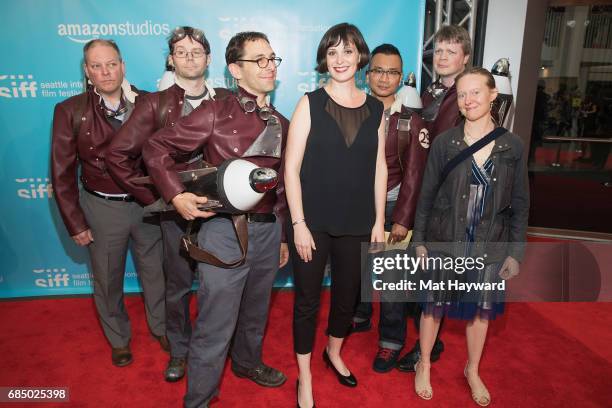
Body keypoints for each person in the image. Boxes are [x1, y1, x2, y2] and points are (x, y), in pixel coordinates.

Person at [142, 31, 289, 408]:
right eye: (260, 60)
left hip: (268, 230)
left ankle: (246, 363)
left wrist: (284, 235)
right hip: (223, 231)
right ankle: (199, 400)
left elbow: (285, 184)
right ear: (235, 70)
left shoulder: (281, 122)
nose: (269, 66)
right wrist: (176, 194)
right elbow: (155, 147)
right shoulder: (214, 112)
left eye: (272, 58)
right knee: (214, 325)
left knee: (256, 312)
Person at [106, 26, 231, 382]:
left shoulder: (226, 99)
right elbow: (117, 154)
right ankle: (179, 350)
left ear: (209, 58)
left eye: (196, 51)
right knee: (176, 287)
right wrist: (161, 199)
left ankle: (214, 347)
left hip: (220, 212)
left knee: (218, 286)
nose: (189, 57)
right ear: (171, 59)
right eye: (181, 51)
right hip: (175, 214)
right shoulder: (154, 103)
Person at [411, 67, 529, 405]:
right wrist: (420, 240)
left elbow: (521, 204)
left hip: (490, 244)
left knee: (480, 311)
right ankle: (424, 363)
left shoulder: (512, 146)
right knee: (433, 307)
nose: (468, 100)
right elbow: (427, 194)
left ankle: (472, 369)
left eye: (476, 92)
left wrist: (515, 253)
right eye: (462, 94)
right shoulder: (445, 143)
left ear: (493, 95)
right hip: (444, 239)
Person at [284, 23, 387, 408]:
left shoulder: (377, 108)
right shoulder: (309, 103)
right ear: (324, 60)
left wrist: (378, 221)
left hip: (359, 223)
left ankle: (334, 351)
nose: (340, 60)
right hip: (312, 225)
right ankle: (305, 376)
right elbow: (290, 170)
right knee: (307, 301)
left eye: (347, 51)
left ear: (360, 56)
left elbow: (380, 169)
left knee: (349, 298)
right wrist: (298, 224)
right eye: (332, 52)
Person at [51, 39, 166, 367]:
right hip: (101, 209)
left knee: (156, 273)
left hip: (147, 204)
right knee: (107, 278)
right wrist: (76, 222)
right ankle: (118, 338)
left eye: (111, 63)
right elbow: (61, 173)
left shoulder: (150, 103)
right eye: (97, 66)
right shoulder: (70, 111)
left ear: (123, 66)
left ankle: (161, 328)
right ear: (87, 71)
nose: (105, 71)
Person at [349, 43, 430, 373]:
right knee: (357, 269)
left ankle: (391, 341)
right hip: (356, 206)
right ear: (368, 74)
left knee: (393, 278)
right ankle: (360, 314)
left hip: (395, 206)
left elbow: (415, 176)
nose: (384, 78)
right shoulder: (352, 111)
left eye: (392, 72)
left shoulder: (412, 122)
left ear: (401, 77)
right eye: (378, 70)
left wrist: (402, 219)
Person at [396, 24, 472, 372]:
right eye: (438, 51)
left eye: (451, 51)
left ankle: (426, 349)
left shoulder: (467, 96)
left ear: (465, 58)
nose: (442, 57)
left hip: (445, 201)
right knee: (414, 279)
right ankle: (429, 341)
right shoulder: (426, 93)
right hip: (418, 195)